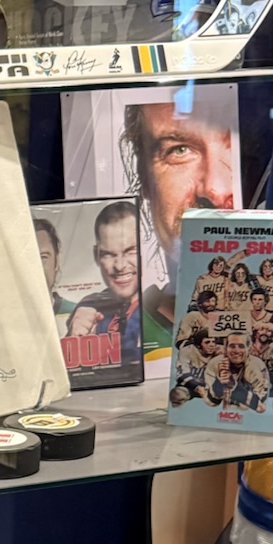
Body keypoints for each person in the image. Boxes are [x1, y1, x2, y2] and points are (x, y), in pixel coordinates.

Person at [120, 96, 236, 335]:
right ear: (144, 180)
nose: (215, 190)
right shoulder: (125, 332)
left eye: (235, 148)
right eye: (179, 150)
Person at [65, 198, 141, 364]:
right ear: (96, 255)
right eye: (108, 254)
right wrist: (73, 341)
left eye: (130, 251)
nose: (120, 266)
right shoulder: (88, 307)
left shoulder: (162, 305)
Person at [204, 331, 269, 411]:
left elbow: (260, 405)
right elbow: (211, 402)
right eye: (232, 346)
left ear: (249, 349)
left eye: (241, 346)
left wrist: (233, 386)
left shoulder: (257, 365)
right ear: (225, 349)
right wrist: (219, 381)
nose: (236, 351)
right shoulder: (215, 363)